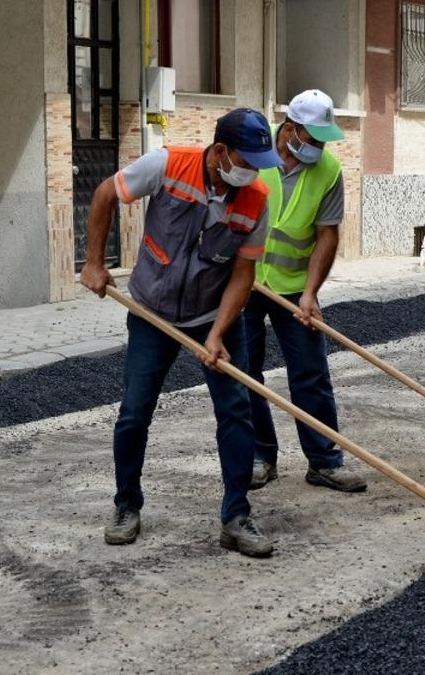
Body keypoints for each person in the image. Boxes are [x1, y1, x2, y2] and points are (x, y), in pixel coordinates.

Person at [80, 108, 284, 557]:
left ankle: (236, 517)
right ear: (219, 152)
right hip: (152, 311)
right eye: (245, 161)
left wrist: (218, 334)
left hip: (213, 313)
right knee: (134, 412)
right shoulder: (168, 165)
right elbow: (103, 195)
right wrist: (94, 262)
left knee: (236, 413)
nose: (251, 172)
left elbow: (243, 274)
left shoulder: (256, 199)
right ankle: (126, 505)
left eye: (257, 163)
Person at [244, 89, 368, 493]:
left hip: (296, 287)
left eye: (323, 139)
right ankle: (260, 457)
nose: (319, 146)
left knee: (311, 373)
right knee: (245, 373)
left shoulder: (328, 170)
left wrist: (312, 292)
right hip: (243, 283)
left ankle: (324, 462)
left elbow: (326, 234)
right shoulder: (254, 153)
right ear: (291, 129)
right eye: (313, 138)